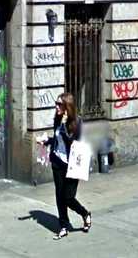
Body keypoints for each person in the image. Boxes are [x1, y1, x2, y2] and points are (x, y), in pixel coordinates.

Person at [38, 92, 92, 239]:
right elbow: (56, 139)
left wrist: (64, 125)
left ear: (67, 106)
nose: (56, 107)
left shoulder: (77, 122)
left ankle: (85, 213)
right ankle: (63, 226)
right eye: (56, 104)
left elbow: (74, 143)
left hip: (72, 165)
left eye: (59, 104)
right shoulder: (57, 119)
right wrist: (46, 141)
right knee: (59, 196)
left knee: (68, 197)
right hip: (57, 162)